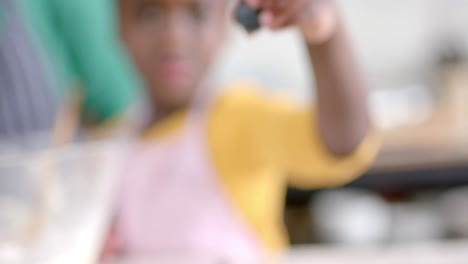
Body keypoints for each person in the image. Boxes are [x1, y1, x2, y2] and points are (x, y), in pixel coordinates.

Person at [111, 0, 380, 261]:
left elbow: (342, 142)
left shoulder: (238, 119)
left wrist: (325, 34)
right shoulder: (111, 144)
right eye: (149, 14)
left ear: (223, 27)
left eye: (197, 14)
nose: (173, 39)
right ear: (119, 27)